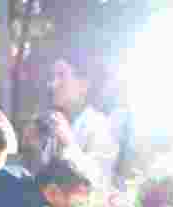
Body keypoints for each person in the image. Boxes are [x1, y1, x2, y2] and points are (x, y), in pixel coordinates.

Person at [25, 48, 120, 188]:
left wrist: (68, 143)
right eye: (53, 77)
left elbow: (99, 181)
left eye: (61, 75)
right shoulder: (54, 125)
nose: (52, 84)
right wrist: (35, 149)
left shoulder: (102, 127)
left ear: (83, 85)